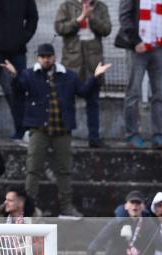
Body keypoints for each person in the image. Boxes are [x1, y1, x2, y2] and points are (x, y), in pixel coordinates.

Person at [1, 43, 110, 217]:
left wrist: (95, 78)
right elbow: (19, 89)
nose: (46, 60)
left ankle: (66, 206)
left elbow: (83, 91)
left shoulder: (68, 75)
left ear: (54, 57)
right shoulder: (30, 74)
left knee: (64, 170)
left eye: (49, 56)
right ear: (38, 58)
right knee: (33, 169)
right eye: (43, 57)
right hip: (38, 129)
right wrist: (14, 76)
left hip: (62, 130)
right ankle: (28, 209)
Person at [116, 0, 162, 149]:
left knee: (160, 93)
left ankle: (158, 134)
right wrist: (135, 40)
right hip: (137, 48)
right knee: (133, 92)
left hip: (158, 47)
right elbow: (124, 17)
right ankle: (132, 135)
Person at [0, 0, 38, 139]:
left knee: (20, 90)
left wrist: (23, 37)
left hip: (17, 50)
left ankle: (22, 131)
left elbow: (32, 17)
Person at [55, 0, 112, 148]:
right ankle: (64, 137)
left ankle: (94, 137)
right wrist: (80, 18)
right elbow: (60, 28)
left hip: (93, 62)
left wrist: (92, 17)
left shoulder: (100, 7)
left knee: (93, 102)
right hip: (72, 62)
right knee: (67, 102)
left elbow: (106, 29)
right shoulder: (66, 6)